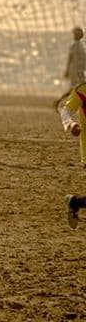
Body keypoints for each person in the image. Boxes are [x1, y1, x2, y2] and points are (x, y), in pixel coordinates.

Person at [59, 82, 86, 228]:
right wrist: (71, 124)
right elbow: (66, 110)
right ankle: (75, 202)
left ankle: (75, 202)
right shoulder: (83, 90)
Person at [55, 27, 86, 109]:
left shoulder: (80, 45)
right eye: (77, 33)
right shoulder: (74, 45)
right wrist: (67, 70)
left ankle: (60, 101)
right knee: (78, 87)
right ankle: (61, 102)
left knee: (77, 88)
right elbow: (70, 58)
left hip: (80, 71)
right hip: (76, 71)